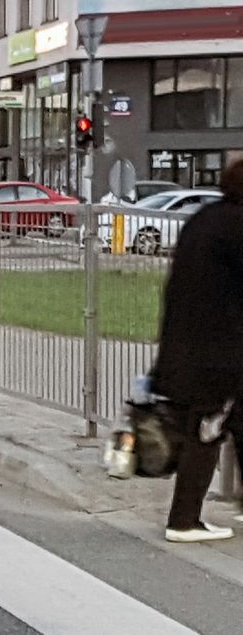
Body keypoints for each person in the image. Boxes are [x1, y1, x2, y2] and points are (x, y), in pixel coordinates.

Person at [152, 158, 243, 543]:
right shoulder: (236, 226)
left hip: (187, 347)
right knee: (206, 432)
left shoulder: (204, 219)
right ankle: (183, 520)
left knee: (231, 424)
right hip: (220, 355)